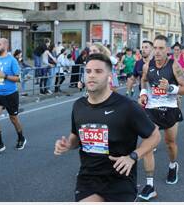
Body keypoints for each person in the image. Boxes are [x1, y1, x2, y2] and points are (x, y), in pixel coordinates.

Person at [54, 53, 161, 202]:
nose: (91, 75)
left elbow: (155, 135)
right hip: (88, 178)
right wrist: (67, 144)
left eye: (98, 71)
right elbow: (76, 138)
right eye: (88, 71)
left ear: (109, 76)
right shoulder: (78, 106)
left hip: (120, 180)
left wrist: (133, 157)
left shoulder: (127, 107)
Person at [138, 35, 184, 201]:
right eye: (156, 48)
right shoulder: (148, 66)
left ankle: (173, 165)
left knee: (170, 143)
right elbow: (144, 80)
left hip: (170, 109)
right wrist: (144, 93)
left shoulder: (174, 66)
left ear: (167, 50)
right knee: (147, 144)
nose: (158, 51)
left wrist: (170, 88)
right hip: (152, 109)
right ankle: (149, 185)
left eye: (162, 48)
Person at [0, 38, 26, 155]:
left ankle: (21, 138)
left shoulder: (12, 60)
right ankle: (0, 144)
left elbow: (18, 78)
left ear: (6, 46)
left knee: (13, 119)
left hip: (11, 94)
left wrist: (5, 76)